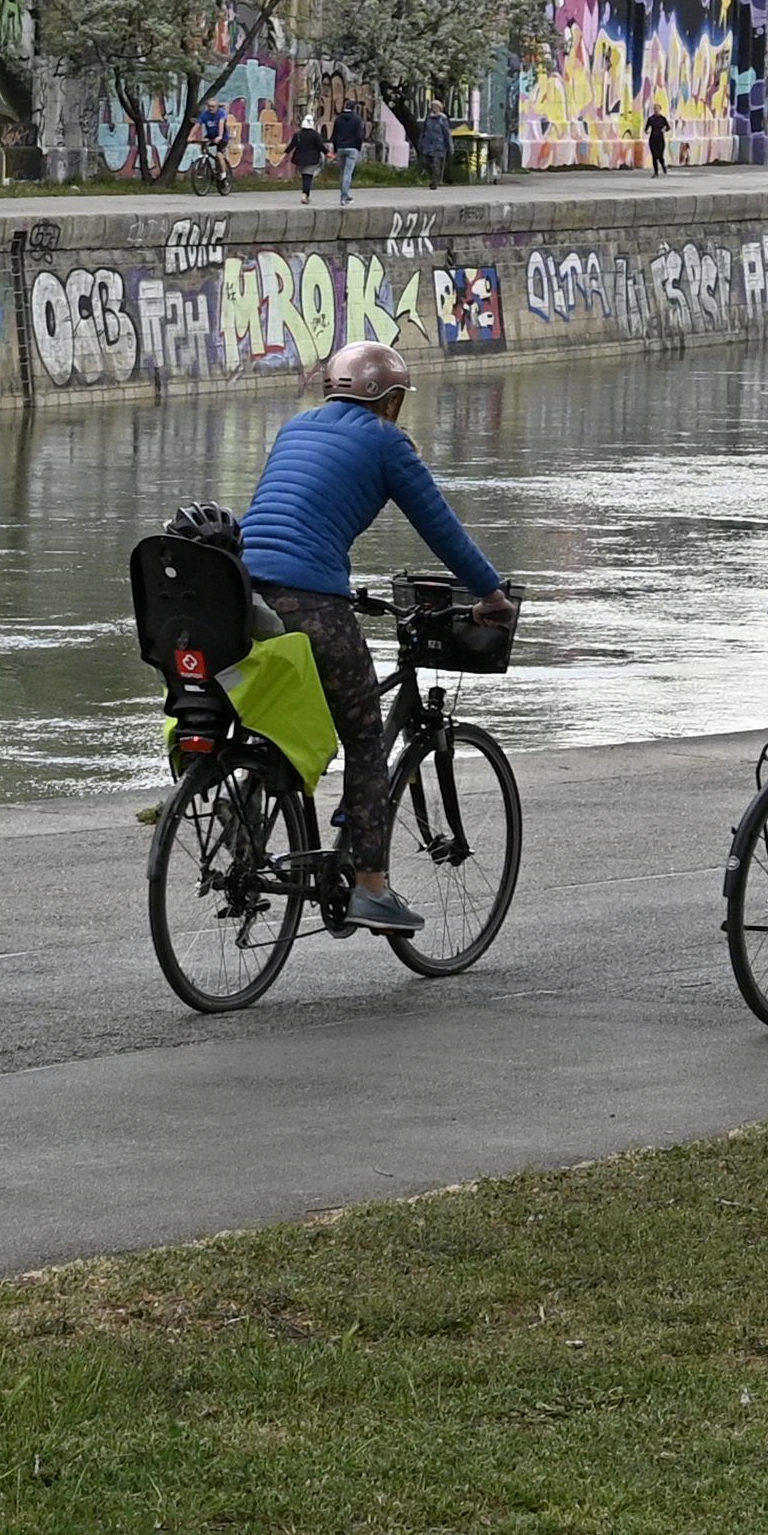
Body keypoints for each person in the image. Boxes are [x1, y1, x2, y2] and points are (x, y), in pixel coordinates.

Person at [240, 342, 515, 934]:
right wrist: (489, 595)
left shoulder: (297, 428)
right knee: (365, 737)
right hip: (309, 601)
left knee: (269, 721)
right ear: (390, 400)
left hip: (240, 592)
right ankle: (370, 886)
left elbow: (295, 518)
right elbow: (441, 527)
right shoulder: (387, 441)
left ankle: (248, 833)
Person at [331, 101, 365, 206]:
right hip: (352, 148)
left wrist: (336, 149)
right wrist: (358, 148)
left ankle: (343, 194)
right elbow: (359, 135)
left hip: (340, 148)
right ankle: (344, 196)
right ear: (354, 108)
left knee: (343, 172)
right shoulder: (357, 119)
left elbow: (334, 135)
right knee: (348, 172)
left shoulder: (338, 119)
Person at [286, 114, 326, 203]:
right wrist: (328, 153)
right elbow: (320, 146)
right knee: (308, 177)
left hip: (300, 160)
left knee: (304, 176)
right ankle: (305, 195)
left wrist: (285, 153)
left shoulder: (298, 134)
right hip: (312, 160)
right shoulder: (315, 135)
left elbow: (292, 145)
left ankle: (305, 194)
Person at [197, 97, 232, 191]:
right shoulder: (205, 115)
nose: (210, 108)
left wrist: (220, 136)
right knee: (204, 148)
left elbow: (221, 124)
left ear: (217, 107)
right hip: (211, 135)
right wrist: (190, 136)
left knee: (219, 155)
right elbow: (197, 125)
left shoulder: (221, 113)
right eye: (209, 106)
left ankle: (224, 176)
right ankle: (207, 167)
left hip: (223, 137)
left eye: (213, 106)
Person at [419, 99, 452, 188]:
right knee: (426, 162)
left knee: (436, 164)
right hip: (427, 144)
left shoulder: (443, 119)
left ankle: (435, 182)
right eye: (433, 106)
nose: (434, 108)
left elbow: (446, 133)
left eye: (436, 107)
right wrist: (421, 142)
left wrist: (449, 146)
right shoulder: (428, 118)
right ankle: (433, 177)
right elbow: (424, 130)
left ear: (440, 108)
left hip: (439, 145)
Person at [646, 107, 670, 177]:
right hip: (653, 139)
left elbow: (668, 127)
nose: (656, 110)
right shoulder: (651, 119)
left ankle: (663, 165)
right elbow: (646, 128)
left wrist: (664, 129)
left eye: (657, 109)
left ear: (660, 110)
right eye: (655, 109)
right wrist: (646, 131)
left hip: (660, 140)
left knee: (660, 156)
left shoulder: (662, 119)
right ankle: (656, 172)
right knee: (654, 156)